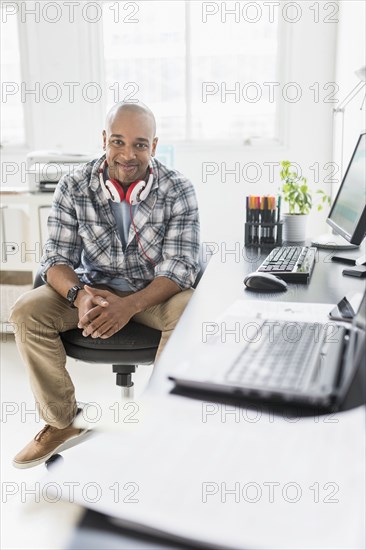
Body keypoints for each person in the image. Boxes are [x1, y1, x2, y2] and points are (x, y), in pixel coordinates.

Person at [10, 102, 200, 468]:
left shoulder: (178, 189)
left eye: (140, 145)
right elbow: (55, 259)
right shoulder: (74, 186)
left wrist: (129, 305)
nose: (128, 155)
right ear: (104, 140)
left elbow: (180, 267)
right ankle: (61, 421)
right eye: (118, 142)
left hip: (150, 296)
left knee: (191, 306)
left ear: (154, 146)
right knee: (26, 311)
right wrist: (79, 295)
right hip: (91, 291)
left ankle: (161, 420)